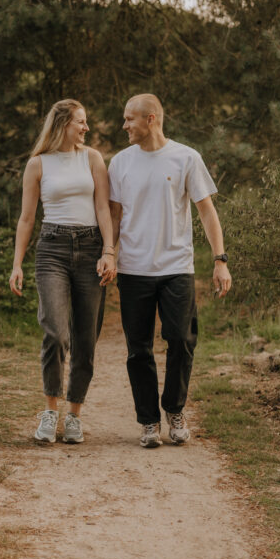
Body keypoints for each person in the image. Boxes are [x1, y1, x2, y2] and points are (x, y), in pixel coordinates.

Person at [108, 93, 231, 448]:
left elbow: (206, 211)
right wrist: (110, 254)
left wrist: (220, 260)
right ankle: (148, 422)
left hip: (177, 267)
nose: (124, 125)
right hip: (133, 269)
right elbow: (115, 216)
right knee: (139, 349)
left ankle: (174, 410)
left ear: (151, 119)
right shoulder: (120, 163)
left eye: (130, 119)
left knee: (181, 339)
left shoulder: (186, 158)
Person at [10, 99, 117, 444]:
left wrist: (108, 251)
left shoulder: (93, 159)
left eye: (86, 122)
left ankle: (74, 415)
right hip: (52, 248)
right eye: (81, 122)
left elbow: (103, 206)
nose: (86, 128)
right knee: (55, 332)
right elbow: (27, 218)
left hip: (90, 248)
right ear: (62, 125)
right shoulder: (37, 164)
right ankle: (50, 411)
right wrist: (17, 264)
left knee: (86, 336)